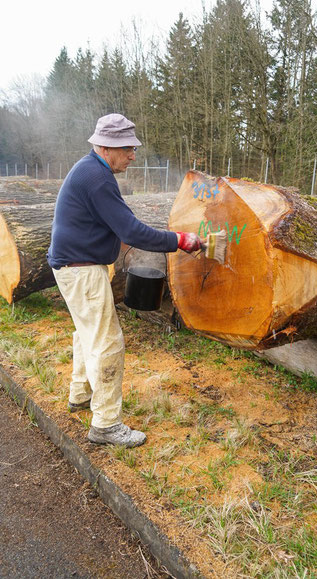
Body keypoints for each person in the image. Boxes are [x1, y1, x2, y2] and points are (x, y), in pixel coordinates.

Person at [47, 113, 201, 448]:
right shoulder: (97, 179)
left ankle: (80, 394)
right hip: (81, 270)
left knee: (86, 333)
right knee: (109, 343)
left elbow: (120, 224)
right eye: (127, 148)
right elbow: (131, 230)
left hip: (72, 266)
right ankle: (105, 424)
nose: (133, 155)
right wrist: (180, 241)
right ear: (106, 147)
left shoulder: (91, 170)